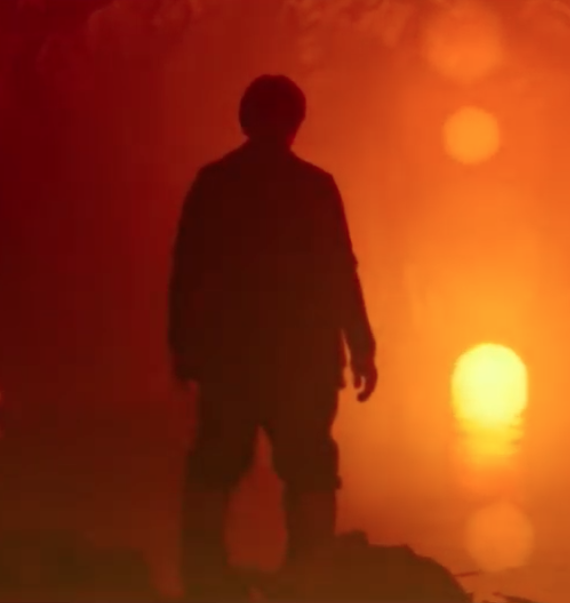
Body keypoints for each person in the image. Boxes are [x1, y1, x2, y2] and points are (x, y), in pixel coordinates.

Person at [168, 74, 378, 599]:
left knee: (215, 463)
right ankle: (308, 579)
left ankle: (203, 578)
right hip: (303, 359)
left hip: (231, 357)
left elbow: (187, 271)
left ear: (245, 119)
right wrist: (361, 346)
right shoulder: (315, 187)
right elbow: (339, 271)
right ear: (295, 124)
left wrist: (183, 345)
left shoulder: (215, 183)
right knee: (310, 468)